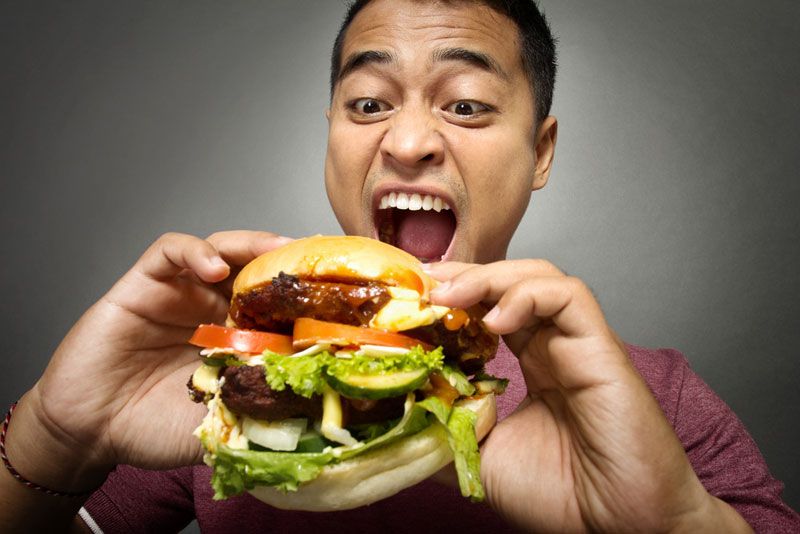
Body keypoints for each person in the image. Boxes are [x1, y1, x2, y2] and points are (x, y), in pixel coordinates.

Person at [1, 0, 798, 532]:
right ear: (331, 135)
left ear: (541, 151)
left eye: (466, 105)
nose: (407, 142)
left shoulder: (654, 397)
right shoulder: (219, 386)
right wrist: (54, 433)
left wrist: (680, 523)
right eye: (370, 104)